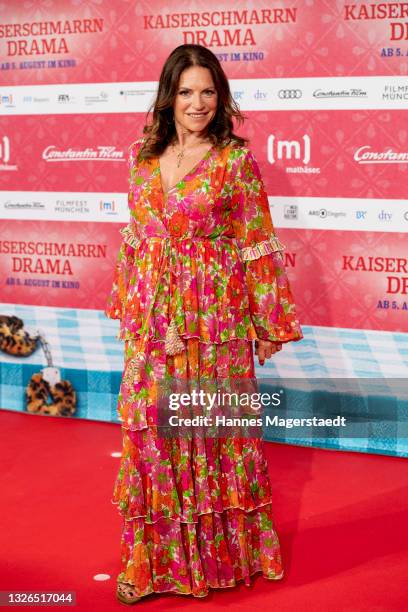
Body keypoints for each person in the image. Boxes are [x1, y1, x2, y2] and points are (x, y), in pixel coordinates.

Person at [105, 43, 303, 605]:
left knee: (212, 436)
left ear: (222, 97)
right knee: (150, 435)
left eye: (209, 92)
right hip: (153, 323)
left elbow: (257, 244)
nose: (198, 103)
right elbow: (135, 240)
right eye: (187, 91)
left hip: (213, 319)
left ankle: (219, 560)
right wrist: (129, 304)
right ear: (169, 96)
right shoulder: (141, 157)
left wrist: (267, 324)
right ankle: (152, 566)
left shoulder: (234, 162)